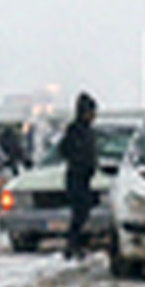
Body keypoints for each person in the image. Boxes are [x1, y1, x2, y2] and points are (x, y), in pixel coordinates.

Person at [60, 91, 98, 260]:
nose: (94, 116)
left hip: (84, 177)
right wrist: (79, 161)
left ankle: (76, 244)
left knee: (82, 213)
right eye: (91, 112)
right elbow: (65, 150)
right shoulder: (75, 130)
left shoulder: (88, 130)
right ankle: (72, 245)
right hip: (77, 177)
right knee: (79, 213)